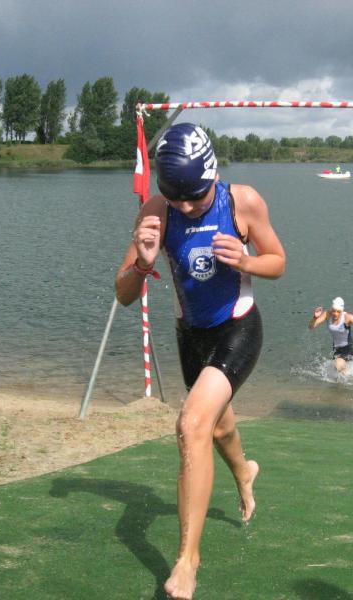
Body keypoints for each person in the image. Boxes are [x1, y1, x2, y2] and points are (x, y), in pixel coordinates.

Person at [115, 123, 286, 600]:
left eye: (195, 196)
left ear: (213, 175)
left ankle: (187, 561)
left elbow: (278, 260)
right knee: (218, 427)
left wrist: (247, 261)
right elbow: (123, 294)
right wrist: (144, 262)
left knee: (191, 425)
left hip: (238, 329)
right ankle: (244, 471)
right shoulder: (157, 211)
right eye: (177, 198)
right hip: (190, 337)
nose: (186, 207)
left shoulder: (242, 202)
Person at [309, 296, 353, 373]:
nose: (335, 314)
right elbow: (311, 327)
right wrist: (315, 317)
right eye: (333, 311)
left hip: (349, 348)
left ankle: (348, 374)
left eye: (338, 311)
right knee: (334, 371)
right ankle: (349, 376)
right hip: (337, 349)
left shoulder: (347, 317)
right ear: (331, 309)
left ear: (342, 310)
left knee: (337, 365)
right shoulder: (327, 314)